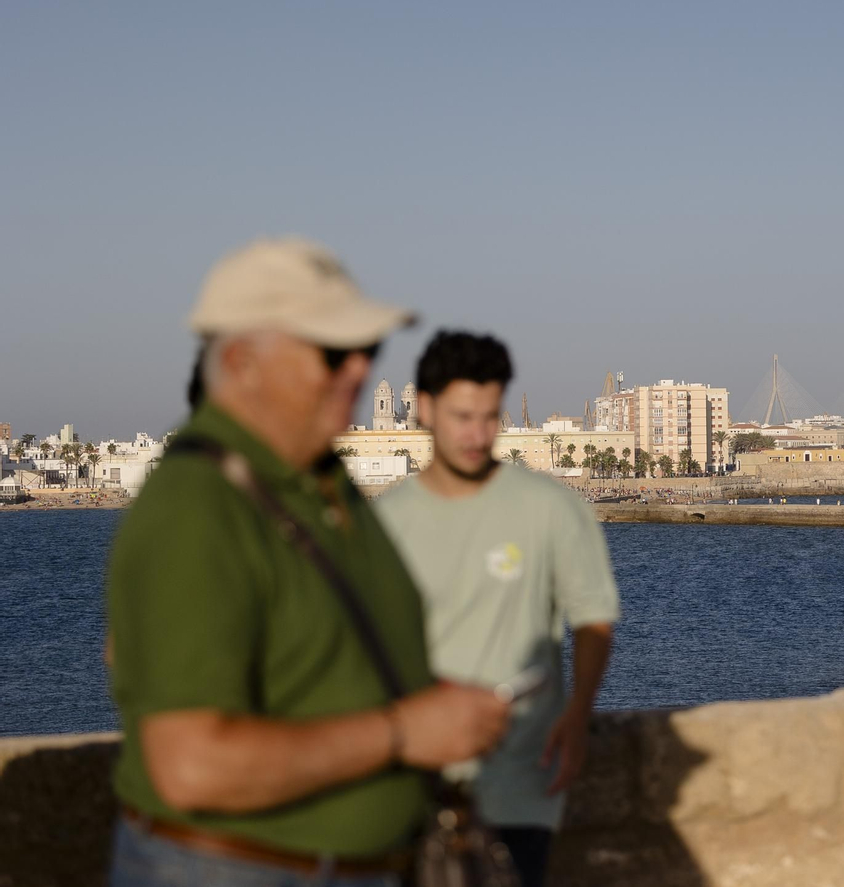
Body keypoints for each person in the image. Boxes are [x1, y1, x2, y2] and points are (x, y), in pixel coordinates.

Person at [107, 239, 510, 886]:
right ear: (242, 362)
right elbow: (192, 764)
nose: (358, 370)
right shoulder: (197, 507)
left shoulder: (319, 480)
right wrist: (404, 731)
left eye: (367, 351)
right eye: (330, 352)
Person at [377, 331, 620, 886]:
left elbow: (593, 617)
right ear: (425, 409)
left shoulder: (550, 508)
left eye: (490, 417)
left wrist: (579, 714)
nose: (477, 435)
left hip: (519, 785)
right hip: (411, 782)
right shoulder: (386, 522)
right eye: (463, 416)